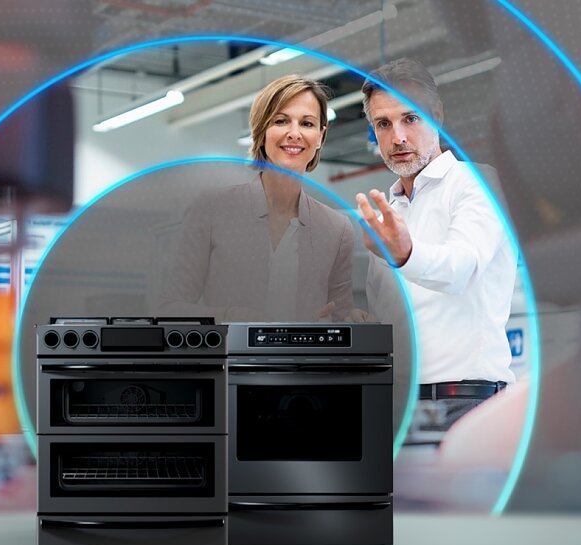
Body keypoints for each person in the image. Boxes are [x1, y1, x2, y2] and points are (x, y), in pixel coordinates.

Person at [354, 58, 517, 442]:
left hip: (465, 399)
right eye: (383, 124)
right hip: (396, 401)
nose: (397, 138)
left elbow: (463, 266)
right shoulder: (389, 214)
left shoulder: (474, 183)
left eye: (411, 119)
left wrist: (405, 255)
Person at [153, 75, 359, 322]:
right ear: (261, 131)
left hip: (304, 361)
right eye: (281, 121)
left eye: (307, 123)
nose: (295, 133)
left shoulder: (337, 230)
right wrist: (231, 317)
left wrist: (349, 321)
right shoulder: (211, 210)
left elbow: (341, 317)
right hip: (230, 359)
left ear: (321, 137)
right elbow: (169, 310)